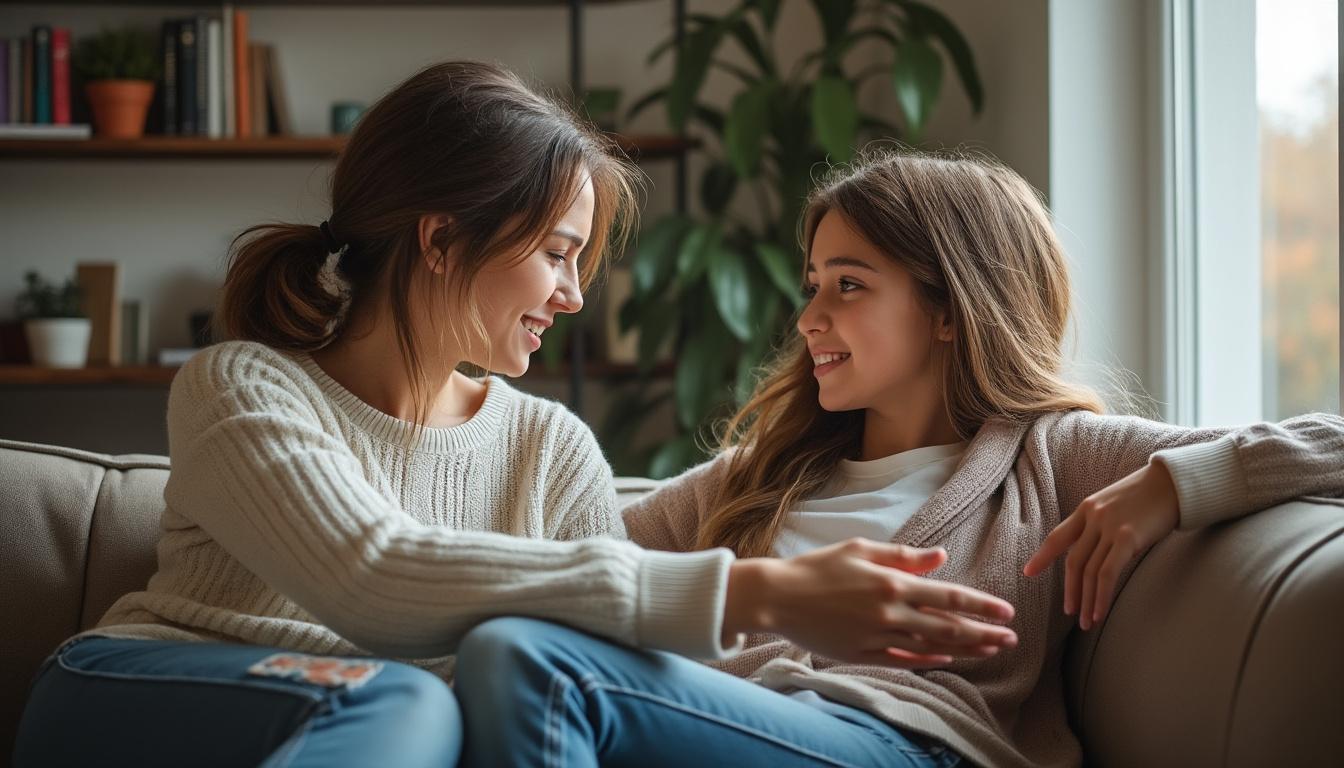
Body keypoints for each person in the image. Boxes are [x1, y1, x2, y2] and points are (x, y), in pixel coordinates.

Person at [12, 67, 1018, 768]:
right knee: (398, 696)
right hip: (140, 689)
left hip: (379, 729)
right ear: (443, 238)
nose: (573, 294)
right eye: (556, 252)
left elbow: (611, 675)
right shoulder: (243, 387)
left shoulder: (549, 446)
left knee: (410, 707)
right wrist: (765, 591)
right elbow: (370, 576)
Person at [450, 149, 1344, 768]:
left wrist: (1169, 485)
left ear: (949, 308)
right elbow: (579, 544)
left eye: (849, 286)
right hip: (734, 730)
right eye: (813, 287)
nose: (808, 321)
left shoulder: (1047, 455)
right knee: (511, 646)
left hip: (903, 744)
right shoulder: (766, 472)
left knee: (529, 663)